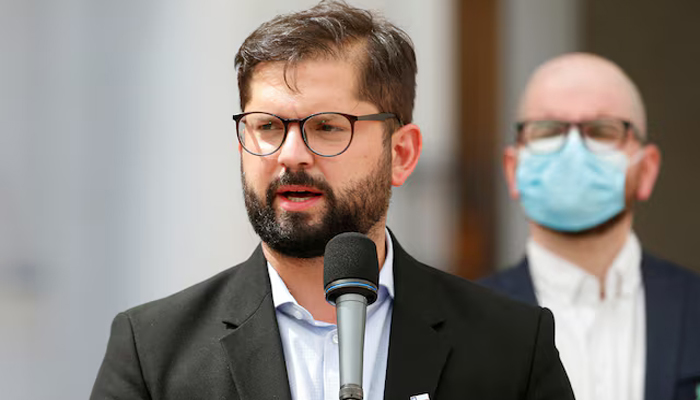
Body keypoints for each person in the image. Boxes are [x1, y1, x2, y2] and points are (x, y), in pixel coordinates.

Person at [91, 2, 573, 399]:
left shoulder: (511, 346)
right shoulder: (153, 352)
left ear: (401, 154)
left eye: (326, 127)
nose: (290, 155)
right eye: (267, 127)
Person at [480, 53, 700, 400]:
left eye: (601, 130)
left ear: (646, 170)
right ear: (512, 170)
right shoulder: (464, 323)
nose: (573, 150)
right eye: (548, 131)